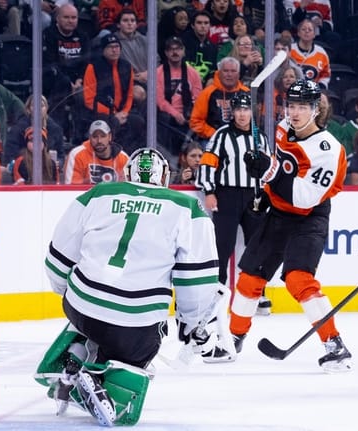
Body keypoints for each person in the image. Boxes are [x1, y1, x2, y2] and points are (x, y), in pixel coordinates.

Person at [37, 147, 226, 426]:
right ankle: (99, 380)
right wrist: (191, 322)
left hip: (79, 306)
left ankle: (75, 356)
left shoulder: (98, 194)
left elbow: (57, 260)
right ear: (164, 178)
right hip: (134, 325)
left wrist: (66, 292)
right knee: (141, 347)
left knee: (93, 311)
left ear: (127, 173)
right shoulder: (187, 207)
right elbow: (196, 280)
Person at [231, 79, 352, 372]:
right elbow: (280, 167)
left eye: (302, 106)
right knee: (249, 278)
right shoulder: (284, 127)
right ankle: (232, 337)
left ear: (316, 109)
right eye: (291, 105)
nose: (295, 112)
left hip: (309, 217)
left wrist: (269, 171)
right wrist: (259, 169)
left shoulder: (328, 150)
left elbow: (304, 198)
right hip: (279, 214)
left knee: (298, 279)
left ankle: (334, 344)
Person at [195, 92, 271, 315]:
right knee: (223, 245)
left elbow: (267, 168)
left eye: (246, 109)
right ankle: (216, 293)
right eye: (238, 110)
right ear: (233, 112)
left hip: (254, 196)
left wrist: (266, 193)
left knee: (257, 245)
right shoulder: (222, 135)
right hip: (227, 195)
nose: (242, 114)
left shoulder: (260, 137)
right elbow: (208, 162)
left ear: (251, 112)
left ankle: (256, 293)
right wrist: (209, 191)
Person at [81, 33, 145, 153]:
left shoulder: (126, 66)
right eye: (110, 47)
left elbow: (130, 94)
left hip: (122, 111)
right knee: (112, 123)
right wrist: (113, 114)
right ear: (103, 49)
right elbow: (89, 100)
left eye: (117, 46)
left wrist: (124, 112)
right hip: (100, 112)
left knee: (138, 122)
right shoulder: (93, 67)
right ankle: (111, 154)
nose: (114, 50)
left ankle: (131, 155)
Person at [156, 36, 203, 155]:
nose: (175, 52)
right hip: (167, 117)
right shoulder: (159, 73)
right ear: (166, 53)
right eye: (171, 49)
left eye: (178, 49)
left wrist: (191, 115)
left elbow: (198, 98)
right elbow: (160, 101)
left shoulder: (193, 73)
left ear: (183, 51)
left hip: (188, 116)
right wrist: (176, 114)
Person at [189, 57, 249, 142]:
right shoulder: (207, 93)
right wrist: (216, 134)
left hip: (240, 139)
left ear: (239, 74)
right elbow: (195, 122)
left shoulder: (246, 93)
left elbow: (253, 121)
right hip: (212, 140)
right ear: (219, 73)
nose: (229, 74)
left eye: (233, 71)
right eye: (226, 71)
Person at [63, 119, 129, 184]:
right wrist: (87, 182)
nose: (99, 141)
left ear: (110, 137)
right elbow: (70, 187)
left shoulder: (123, 158)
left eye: (103, 136)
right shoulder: (77, 155)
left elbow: (132, 187)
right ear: (89, 138)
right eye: (95, 137)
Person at [288, 18, 331, 89]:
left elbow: (325, 75)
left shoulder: (321, 53)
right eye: (303, 29)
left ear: (314, 34)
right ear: (298, 33)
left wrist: (320, 87)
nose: (306, 31)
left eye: (310, 30)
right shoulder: (290, 50)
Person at [182, 10, 218, 84]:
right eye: (199, 23)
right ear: (192, 25)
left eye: (206, 23)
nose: (203, 26)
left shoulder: (213, 46)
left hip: (206, 85)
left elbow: (214, 68)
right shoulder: (182, 42)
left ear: (210, 26)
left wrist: (211, 78)